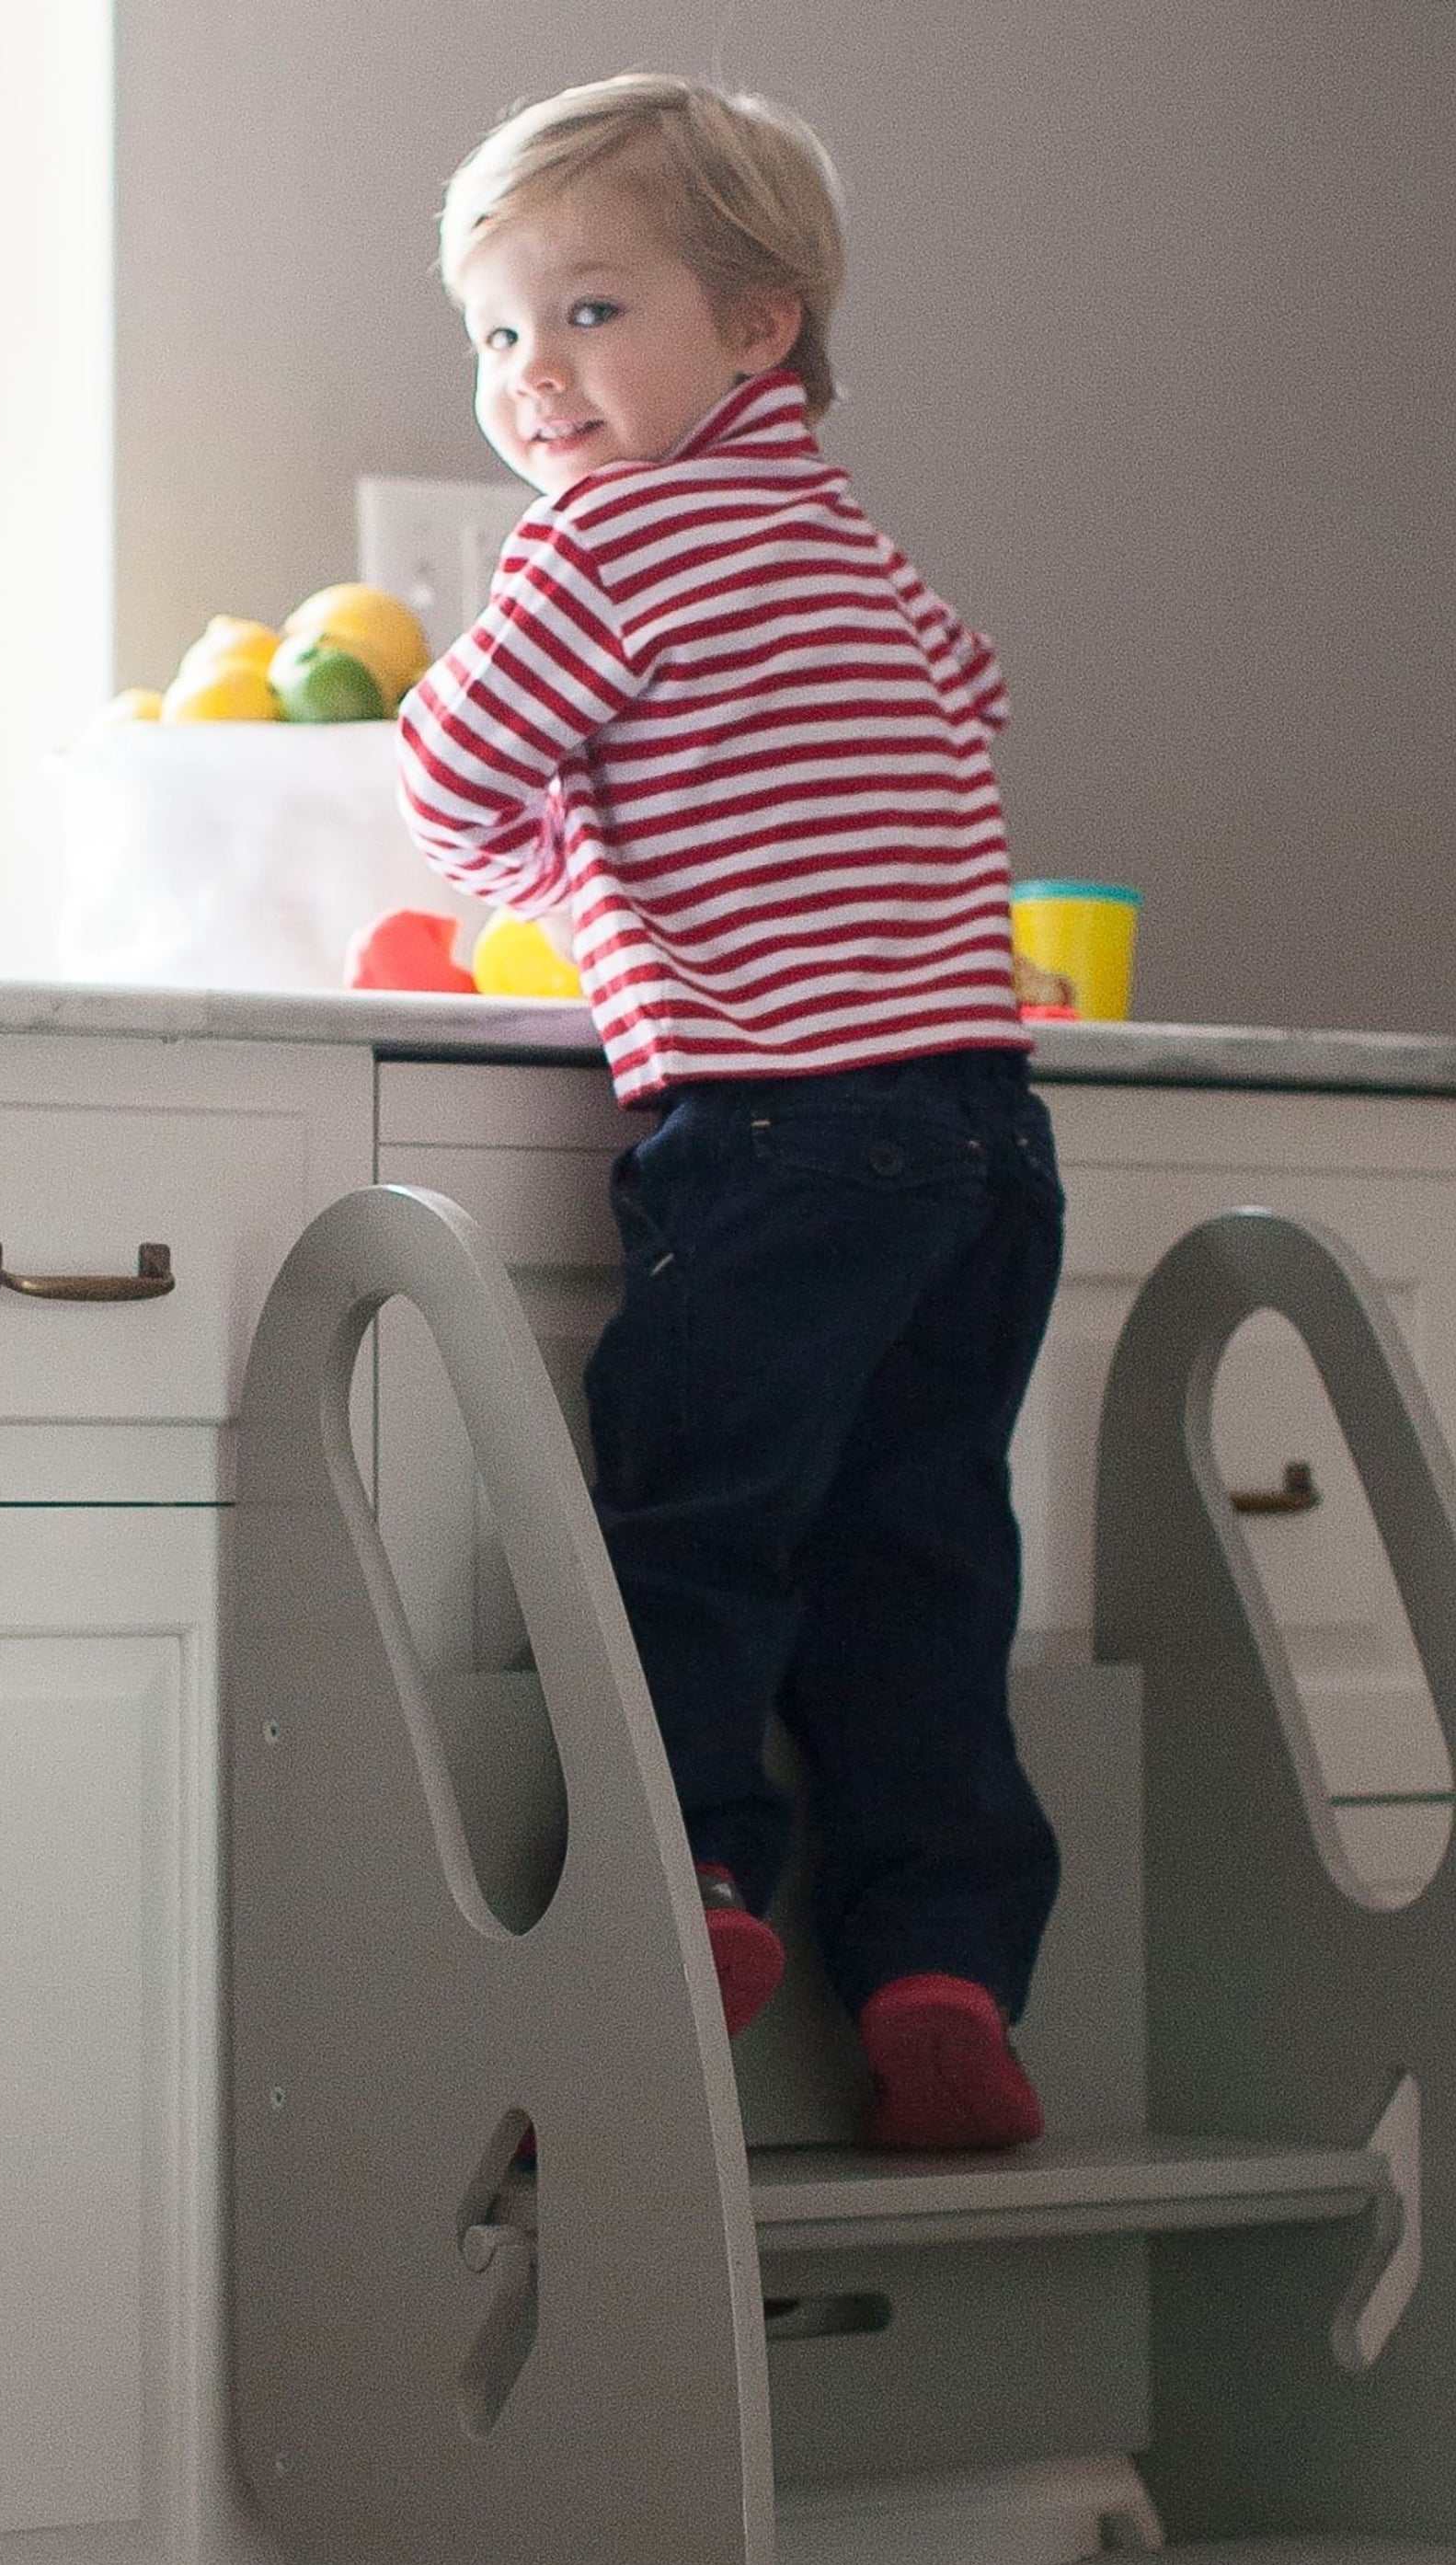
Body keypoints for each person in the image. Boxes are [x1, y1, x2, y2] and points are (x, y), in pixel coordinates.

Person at [397, 72, 1063, 2151]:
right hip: (984, 1141)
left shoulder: (604, 539)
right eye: (499, 332)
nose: (532, 380)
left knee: (699, 1535)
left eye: (588, 315)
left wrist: (537, 863)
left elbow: (439, 786)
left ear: (757, 326)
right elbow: (970, 697)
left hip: (775, 1136)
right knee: (924, 1561)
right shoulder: (847, 536)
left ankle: (686, 1884)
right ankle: (943, 1961)